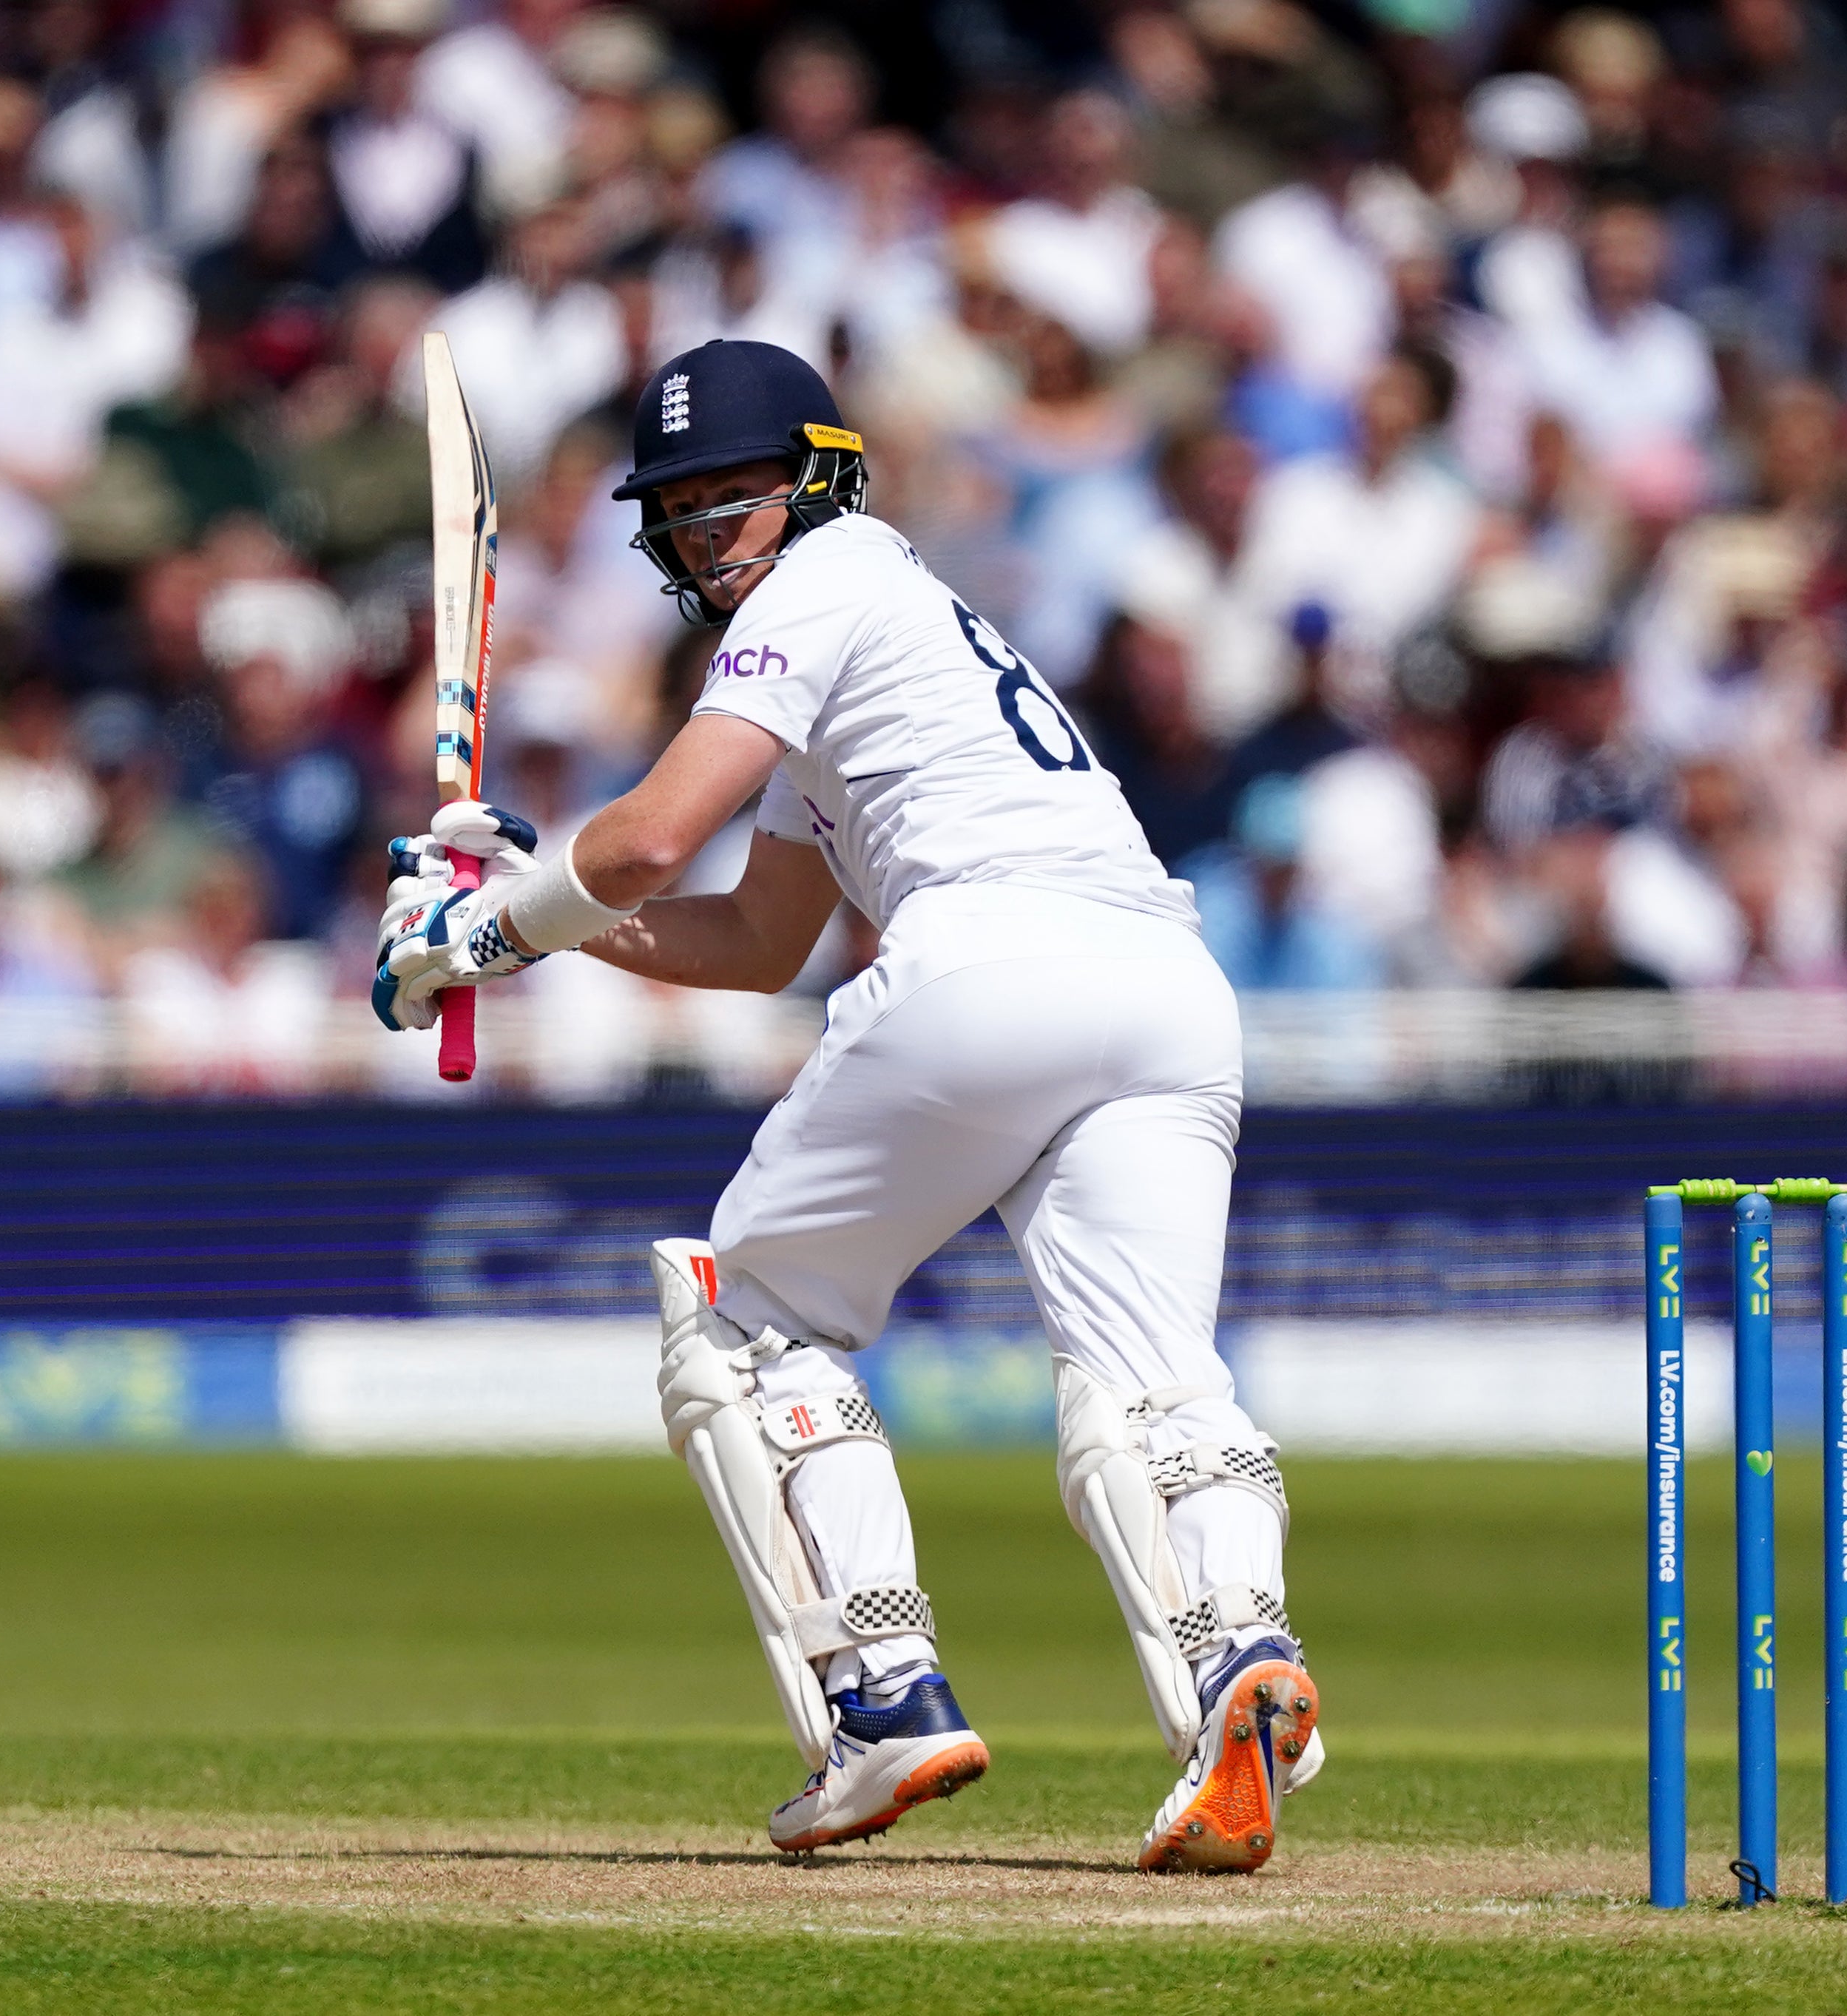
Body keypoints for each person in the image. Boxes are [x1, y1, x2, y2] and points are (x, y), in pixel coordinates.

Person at [369, 340, 1320, 1870]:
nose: (705, 536)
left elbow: (648, 838)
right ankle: (1242, 1667)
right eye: (679, 513)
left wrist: (469, 936)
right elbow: (753, 940)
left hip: (991, 961)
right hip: (1166, 989)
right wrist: (518, 911)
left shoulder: (823, 580)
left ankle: (879, 1694)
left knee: (739, 1316)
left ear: (816, 480)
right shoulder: (895, 633)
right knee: (1150, 1382)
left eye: (734, 498)